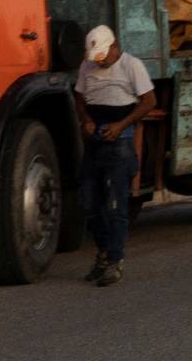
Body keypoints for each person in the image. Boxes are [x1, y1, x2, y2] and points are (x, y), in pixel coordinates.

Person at [72, 24, 156, 288]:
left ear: (115, 47)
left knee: (116, 205)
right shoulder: (87, 68)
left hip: (120, 140)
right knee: (89, 202)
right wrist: (84, 120)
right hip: (95, 139)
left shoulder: (132, 66)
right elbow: (78, 96)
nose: (100, 62)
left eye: (104, 56)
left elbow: (149, 101)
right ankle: (104, 252)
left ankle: (115, 261)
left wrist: (121, 126)